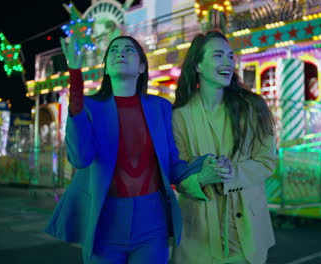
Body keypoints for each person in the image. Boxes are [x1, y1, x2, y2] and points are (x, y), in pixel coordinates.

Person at [45, 35, 226, 264]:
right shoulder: (88, 107)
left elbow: (171, 166)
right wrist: (75, 79)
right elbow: (80, 159)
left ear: (142, 66)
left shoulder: (160, 108)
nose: (120, 53)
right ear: (107, 69)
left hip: (152, 221)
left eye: (129, 50)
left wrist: (202, 167)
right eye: (114, 50)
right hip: (105, 221)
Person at [170, 30, 277, 264]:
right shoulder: (178, 117)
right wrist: (201, 178)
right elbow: (177, 174)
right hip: (197, 238)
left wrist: (231, 174)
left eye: (230, 56)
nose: (228, 62)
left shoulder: (253, 107)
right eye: (218, 55)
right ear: (198, 65)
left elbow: (267, 161)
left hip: (246, 236)